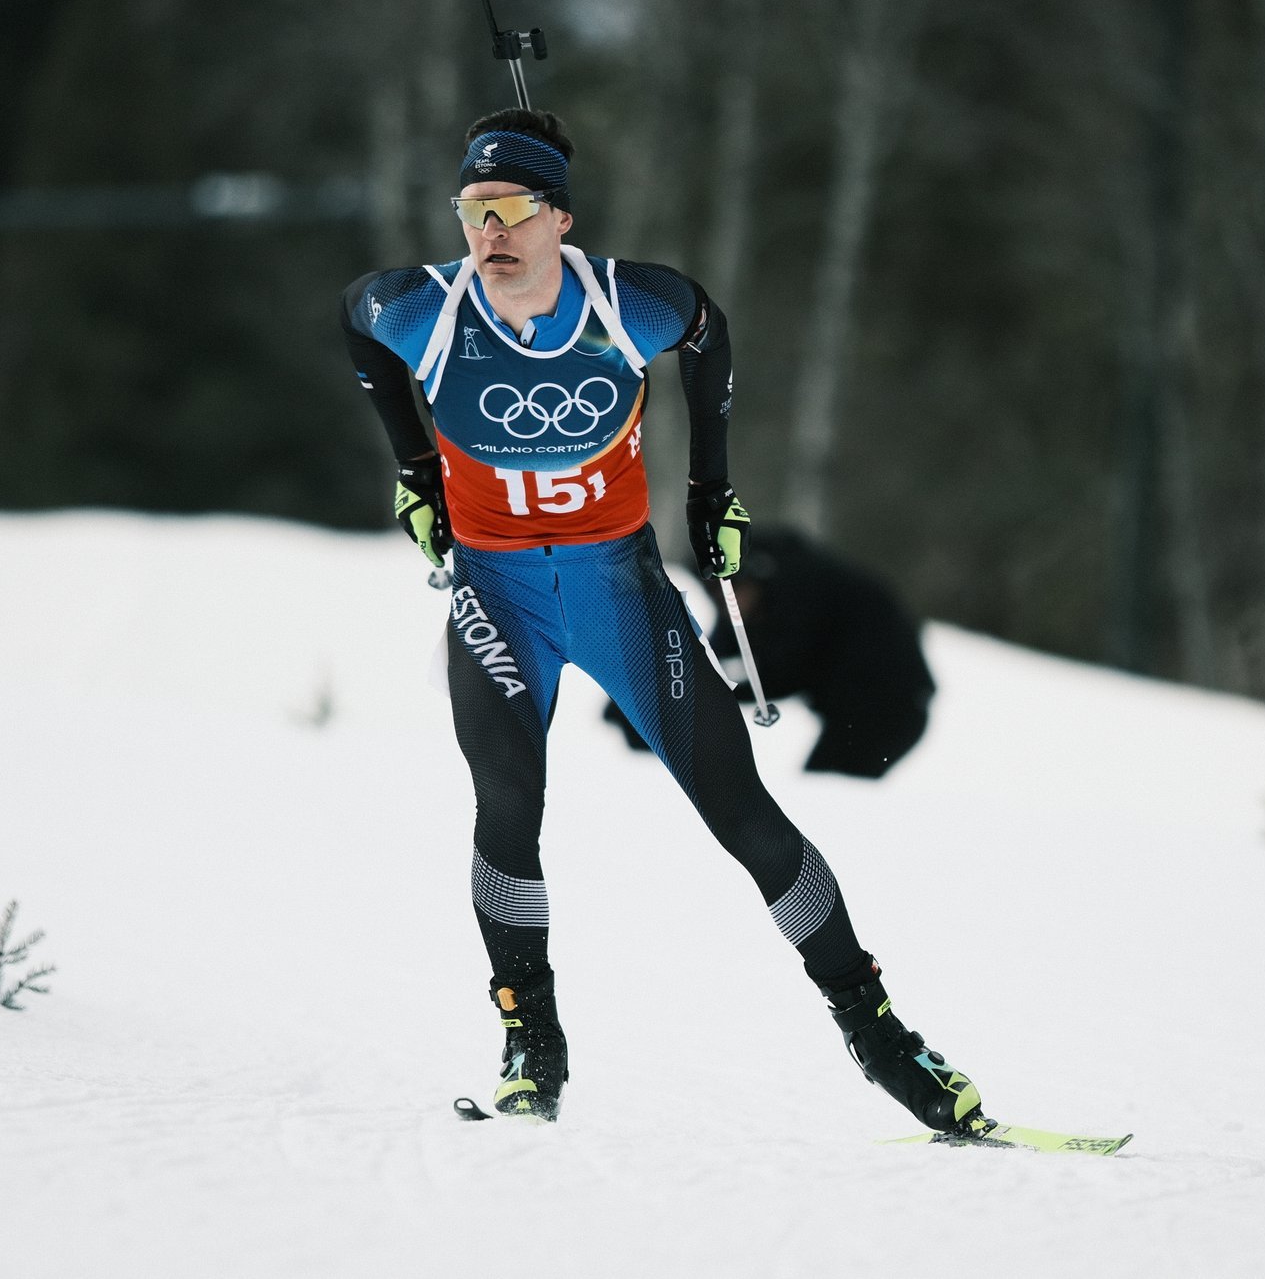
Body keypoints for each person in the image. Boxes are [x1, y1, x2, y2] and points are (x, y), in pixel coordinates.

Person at [339, 107, 984, 1134]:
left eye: (509, 210)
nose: (488, 233)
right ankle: (530, 1042)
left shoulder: (625, 302)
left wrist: (708, 490)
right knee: (506, 808)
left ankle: (880, 1036)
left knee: (745, 815)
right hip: (497, 593)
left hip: (617, 589)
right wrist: (415, 470)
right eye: (471, 211)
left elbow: (709, 332)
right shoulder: (422, 307)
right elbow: (355, 322)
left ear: (559, 218)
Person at [605, 525, 936, 778]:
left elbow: (780, 674)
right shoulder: (750, 595)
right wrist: (642, 696)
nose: (720, 601)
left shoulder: (800, 591)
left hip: (888, 709)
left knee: (826, 801)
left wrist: (701, 698)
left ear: (749, 578)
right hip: (861, 711)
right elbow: (707, 657)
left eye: (725, 591)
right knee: (824, 799)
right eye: (712, 593)